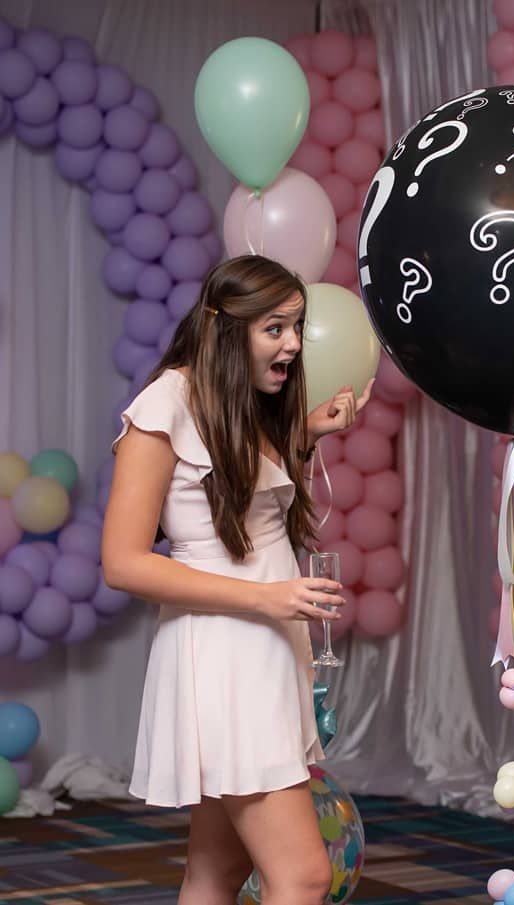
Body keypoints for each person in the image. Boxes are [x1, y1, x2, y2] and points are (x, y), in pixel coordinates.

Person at [102, 255, 373, 905]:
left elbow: (236, 482)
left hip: (261, 652)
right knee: (303, 875)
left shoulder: (237, 403)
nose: (291, 344)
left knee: (215, 871)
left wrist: (309, 432)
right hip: (224, 656)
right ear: (229, 329)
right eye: (274, 328)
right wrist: (267, 596)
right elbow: (123, 561)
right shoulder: (164, 404)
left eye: (297, 327)